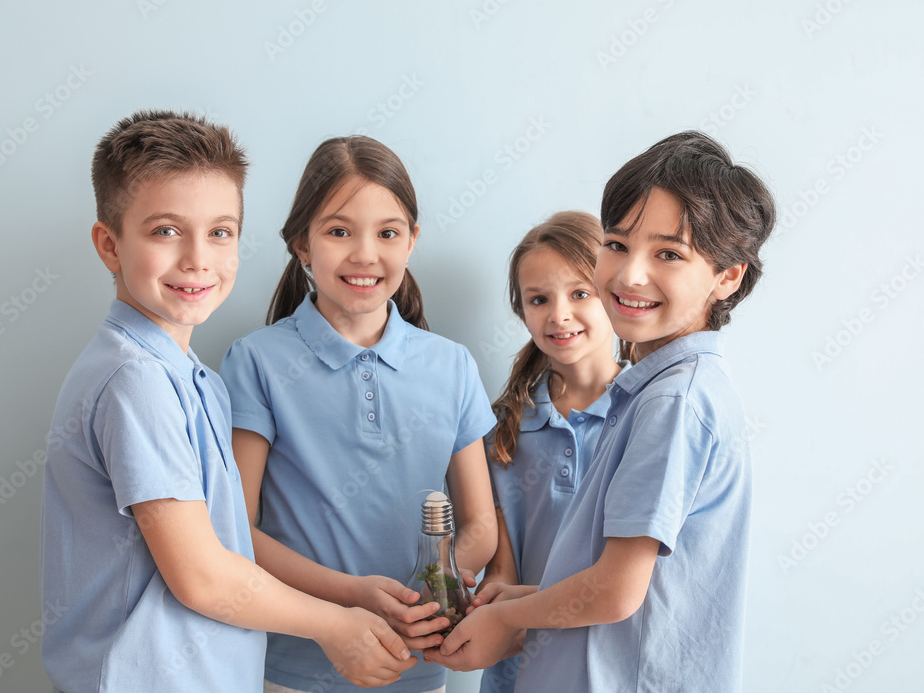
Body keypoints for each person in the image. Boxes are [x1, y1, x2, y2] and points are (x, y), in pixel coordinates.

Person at [40, 112, 415, 693]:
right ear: (109, 245)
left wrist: (347, 595)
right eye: (166, 231)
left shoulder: (195, 379)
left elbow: (226, 546)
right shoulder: (133, 380)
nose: (197, 259)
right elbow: (202, 577)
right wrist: (334, 626)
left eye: (220, 232)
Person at [425, 130, 776, 692]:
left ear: (727, 276)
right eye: (617, 244)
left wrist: (508, 617)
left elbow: (615, 592)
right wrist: (523, 598)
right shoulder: (655, 393)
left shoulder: (673, 401)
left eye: (668, 253)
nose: (630, 274)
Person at [220, 135, 498, 693]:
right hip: (291, 673)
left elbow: (481, 527)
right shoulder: (256, 361)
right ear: (302, 243)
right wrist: (353, 596)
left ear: (412, 241)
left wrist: (422, 596)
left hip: (419, 671)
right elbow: (235, 532)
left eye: (388, 233)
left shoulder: (452, 366)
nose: (365, 254)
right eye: (339, 230)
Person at [477, 211, 625, 693]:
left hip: (613, 667)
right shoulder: (503, 430)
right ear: (522, 313)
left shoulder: (649, 417)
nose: (559, 315)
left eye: (580, 293)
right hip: (521, 674)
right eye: (539, 300)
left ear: (613, 293)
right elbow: (502, 571)